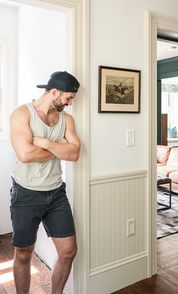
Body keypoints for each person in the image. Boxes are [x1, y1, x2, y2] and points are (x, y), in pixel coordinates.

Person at [9, 71, 81, 294]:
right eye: (68, 98)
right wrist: (60, 148)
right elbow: (26, 155)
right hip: (26, 193)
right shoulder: (22, 114)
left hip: (56, 194)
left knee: (68, 251)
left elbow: (75, 153)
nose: (69, 103)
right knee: (24, 252)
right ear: (54, 92)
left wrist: (46, 144)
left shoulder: (67, 119)